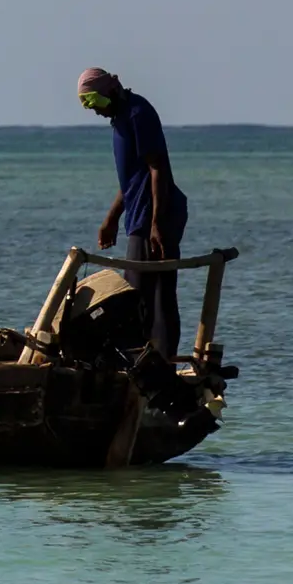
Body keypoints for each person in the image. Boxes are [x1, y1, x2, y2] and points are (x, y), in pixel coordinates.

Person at [79, 67, 191, 368]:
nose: (96, 111)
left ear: (111, 91)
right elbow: (132, 180)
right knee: (139, 296)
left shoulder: (138, 113)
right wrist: (112, 218)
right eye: (88, 106)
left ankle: (158, 364)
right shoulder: (119, 119)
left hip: (156, 215)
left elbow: (157, 169)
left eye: (96, 102)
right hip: (140, 215)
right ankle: (143, 363)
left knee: (153, 296)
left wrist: (156, 224)